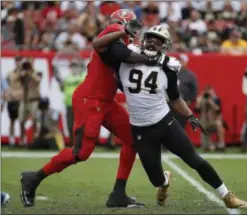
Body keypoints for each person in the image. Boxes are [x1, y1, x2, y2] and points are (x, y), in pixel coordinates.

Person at [20, 9, 170, 208]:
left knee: (133, 140)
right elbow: (122, 54)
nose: (136, 31)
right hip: (90, 100)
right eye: (132, 25)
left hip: (106, 102)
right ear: (123, 23)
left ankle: (118, 194)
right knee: (81, 153)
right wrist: (150, 58)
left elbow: (122, 74)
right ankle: (33, 178)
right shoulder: (114, 31)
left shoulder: (121, 43)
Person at [118, 25, 247, 208]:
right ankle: (164, 182)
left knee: (194, 160)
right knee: (155, 179)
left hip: (165, 122)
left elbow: (175, 98)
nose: (152, 43)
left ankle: (227, 195)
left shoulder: (168, 68)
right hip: (140, 128)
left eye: (158, 41)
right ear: (143, 40)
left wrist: (190, 116)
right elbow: (105, 49)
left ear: (164, 46)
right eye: (150, 39)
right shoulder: (126, 59)